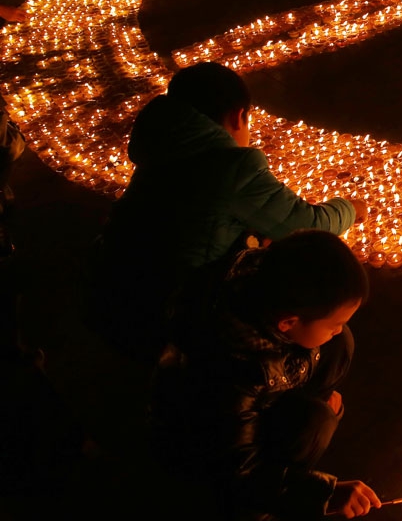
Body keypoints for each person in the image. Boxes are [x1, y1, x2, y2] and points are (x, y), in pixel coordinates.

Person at [91, 62, 365, 361]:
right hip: (168, 318)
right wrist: (349, 208)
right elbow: (309, 225)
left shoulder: (163, 146)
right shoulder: (232, 166)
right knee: (333, 337)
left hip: (109, 289)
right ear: (239, 116)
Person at [152, 230, 381, 518]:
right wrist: (323, 493)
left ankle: (309, 407)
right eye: (334, 322)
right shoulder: (228, 369)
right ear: (287, 323)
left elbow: (321, 337)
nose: (338, 327)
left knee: (340, 341)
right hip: (207, 455)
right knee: (315, 421)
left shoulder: (264, 279)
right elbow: (237, 470)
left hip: (262, 391)